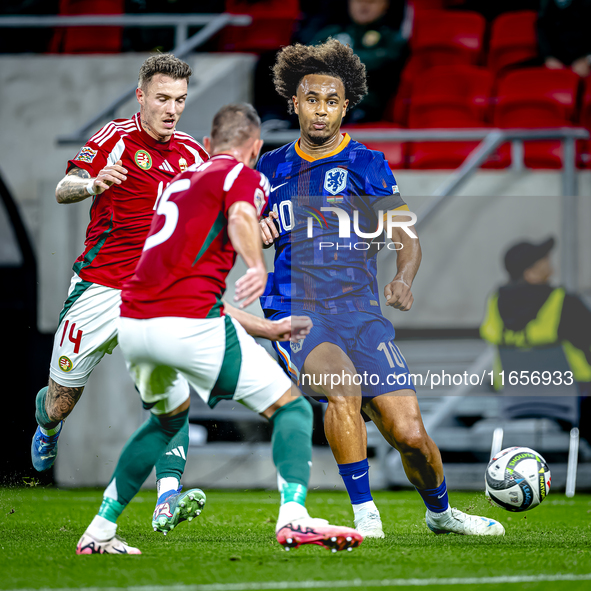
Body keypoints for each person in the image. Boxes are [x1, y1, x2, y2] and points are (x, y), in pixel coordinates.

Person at [75, 103, 363, 554]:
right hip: (187, 324)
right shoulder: (244, 176)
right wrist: (255, 264)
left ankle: (100, 530)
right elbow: (242, 217)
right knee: (294, 410)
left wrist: (267, 329)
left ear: (207, 146)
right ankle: (294, 518)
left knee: (164, 422)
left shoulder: (176, 185)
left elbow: (197, 289)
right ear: (254, 148)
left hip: (132, 320)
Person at [257, 39, 505, 538]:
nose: (321, 110)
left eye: (332, 101)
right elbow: (230, 230)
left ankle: (441, 515)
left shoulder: (368, 165)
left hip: (361, 313)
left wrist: (401, 278)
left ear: (346, 106)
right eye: (311, 99)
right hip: (296, 310)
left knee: (410, 435)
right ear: (294, 103)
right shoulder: (268, 170)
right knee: (342, 389)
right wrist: (251, 231)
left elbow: (407, 238)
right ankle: (366, 516)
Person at [30, 54, 211, 532]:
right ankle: (47, 423)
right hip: (98, 289)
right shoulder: (114, 139)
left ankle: (167, 497)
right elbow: (62, 189)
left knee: (170, 397)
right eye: (162, 99)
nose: (172, 110)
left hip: (157, 294)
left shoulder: (193, 152)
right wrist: (93, 183)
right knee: (61, 399)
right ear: (141, 96)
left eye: (180, 101)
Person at [480, 237, 591, 441]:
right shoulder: (565, 303)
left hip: (516, 398)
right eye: (544, 261)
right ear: (529, 273)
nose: (551, 264)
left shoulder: (495, 301)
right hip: (573, 401)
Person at [308, 0, 410, 122]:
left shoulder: (392, 38)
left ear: (386, 5)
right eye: (358, 1)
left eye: (371, 2)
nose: (363, 5)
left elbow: (379, 63)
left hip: (364, 108)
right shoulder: (332, 32)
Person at [538, 0, 591, 78]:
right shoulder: (546, 4)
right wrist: (548, 57)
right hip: (557, 61)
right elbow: (542, 31)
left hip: (583, 59)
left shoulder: (587, 4)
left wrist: (588, 60)